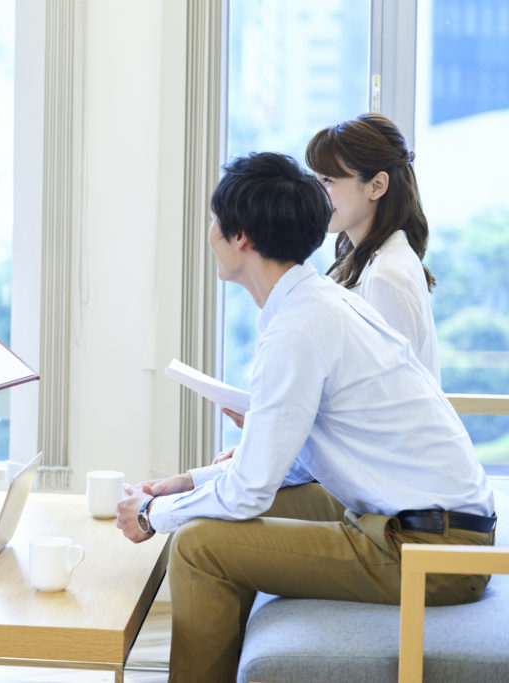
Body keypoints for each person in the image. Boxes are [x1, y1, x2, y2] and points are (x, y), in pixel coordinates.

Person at [116, 152, 495, 682]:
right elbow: (289, 465)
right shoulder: (320, 304)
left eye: (214, 222)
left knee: (200, 544)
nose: (210, 235)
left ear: (240, 236)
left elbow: (250, 490)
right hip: (432, 525)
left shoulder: (297, 329)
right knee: (223, 511)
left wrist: (155, 514)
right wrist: (187, 483)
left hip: (433, 555)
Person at [222, 112, 440, 433]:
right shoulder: (365, 262)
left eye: (329, 181)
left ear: (377, 186)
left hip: (388, 473)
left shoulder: (387, 274)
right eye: (317, 179)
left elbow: (386, 408)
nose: (318, 193)